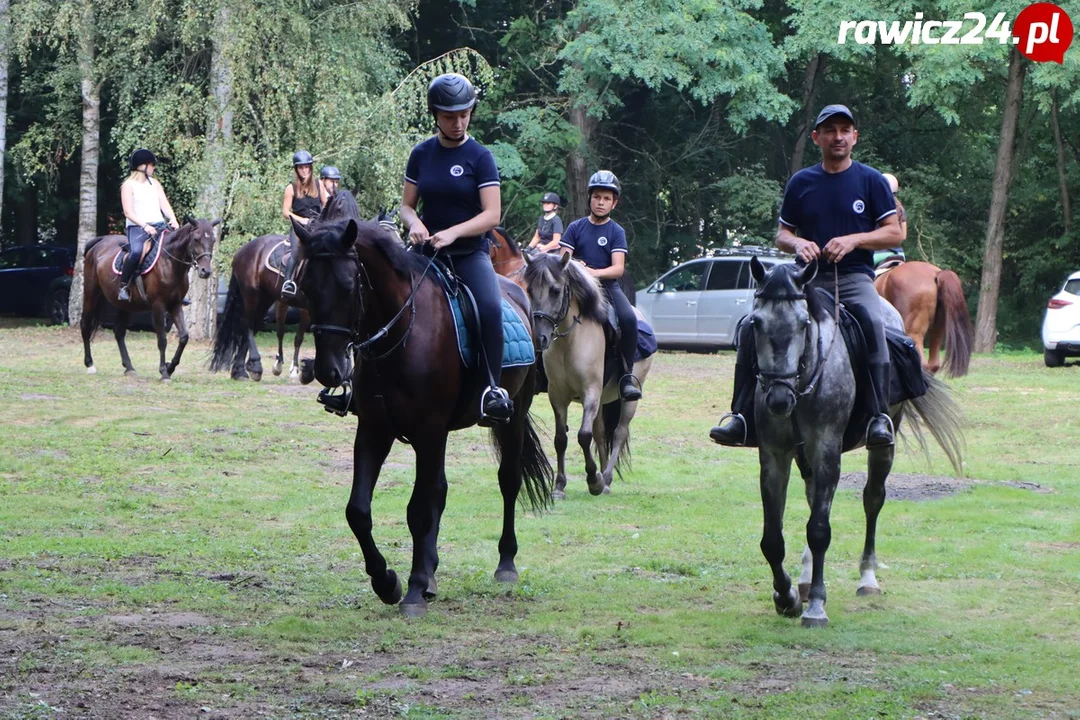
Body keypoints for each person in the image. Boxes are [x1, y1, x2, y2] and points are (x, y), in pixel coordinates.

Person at [710, 104, 903, 448]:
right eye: (830, 131)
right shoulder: (802, 182)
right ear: (817, 138)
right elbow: (782, 235)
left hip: (855, 277)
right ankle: (740, 417)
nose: (838, 137)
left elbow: (894, 234)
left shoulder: (871, 181)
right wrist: (799, 243)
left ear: (855, 137)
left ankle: (877, 417)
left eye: (845, 130)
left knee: (873, 323)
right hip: (806, 281)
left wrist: (854, 239)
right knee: (749, 326)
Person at [400, 72, 513, 426]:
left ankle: (492, 391)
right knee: (378, 295)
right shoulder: (421, 154)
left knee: (491, 308)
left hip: (469, 255)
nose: (457, 122)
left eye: (464, 114)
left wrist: (452, 233)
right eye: (449, 116)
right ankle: (359, 383)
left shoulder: (481, 157)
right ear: (435, 114)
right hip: (426, 254)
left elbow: (491, 214)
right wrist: (415, 224)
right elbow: (406, 206)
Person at [559, 170, 642, 401]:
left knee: (628, 319)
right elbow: (562, 260)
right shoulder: (575, 227)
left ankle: (626, 376)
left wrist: (594, 272)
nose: (601, 202)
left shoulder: (616, 231)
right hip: (575, 288)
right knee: (546, 312)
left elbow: (618, 268)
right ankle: (539, 372)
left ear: (614, 203)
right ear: (590, 199)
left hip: (607, 288)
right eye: (597, 197)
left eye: (606, 198)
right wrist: (578, 267)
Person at [118, 149, 180, 301]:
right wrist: (145, 226)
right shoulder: (128, 185)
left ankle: (176, 290)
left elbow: (164, 204)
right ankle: (124, 286)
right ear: (142, 166)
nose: (154, 168)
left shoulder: (155, 184)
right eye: (152, 165)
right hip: (138, 228)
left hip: (159, 225)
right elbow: (128, 212)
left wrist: (173, 219)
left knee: (178, 249)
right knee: (137, 252)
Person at [281, 150, 328, 297]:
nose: (305, 170)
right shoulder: (291, 188)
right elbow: (285, 212)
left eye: (307, 167)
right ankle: (287, 283)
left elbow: (326, 203)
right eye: (301, 167)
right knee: (296, 251)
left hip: (318, 225)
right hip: (299, 228)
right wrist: (301, 220)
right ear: (296, 169)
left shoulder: (319, 184)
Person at [875, 172, 907, 265]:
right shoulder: (901, 209)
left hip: (877, 254)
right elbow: (903, 236)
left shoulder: (874, 206)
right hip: (900, 254)